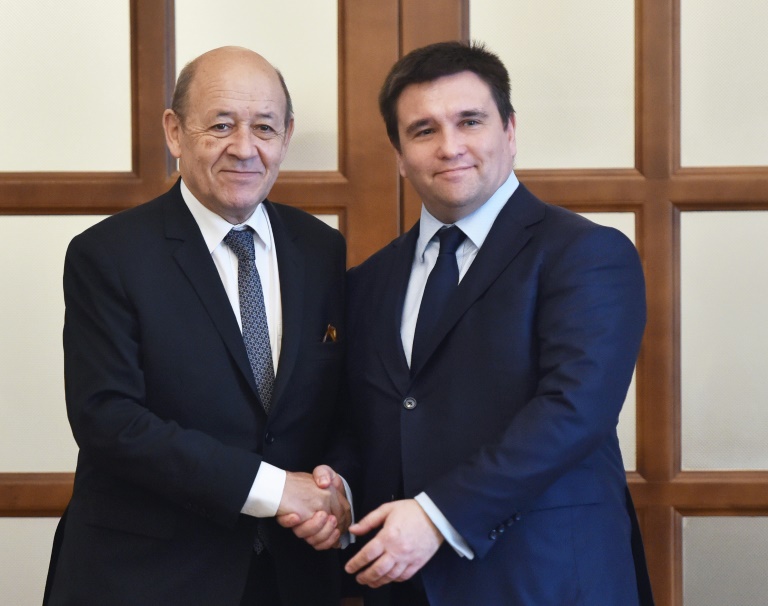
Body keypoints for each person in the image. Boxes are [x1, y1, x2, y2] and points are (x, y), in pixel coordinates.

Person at [324, 41, 653, 605]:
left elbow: (575, 410)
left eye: (470, 121)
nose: (450, 146)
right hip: (406, 585)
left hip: (547, 581)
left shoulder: (586, 253)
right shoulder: (368, 281)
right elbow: (365, 421)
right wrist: (339, 489)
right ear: (399, 155)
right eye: (423, 130)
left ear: (510, 131)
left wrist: (437, 516)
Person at [43, 46, 350, 606]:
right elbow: (109, 420)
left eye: (264, 127)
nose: (245, 148)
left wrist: (336, 491)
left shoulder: (321, 248)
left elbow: (341, 402)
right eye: (221, 125)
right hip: (147, 577)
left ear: (286, 136)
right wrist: (275, 488)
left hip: (291, 575)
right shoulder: (107, 255)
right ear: (175, 132)